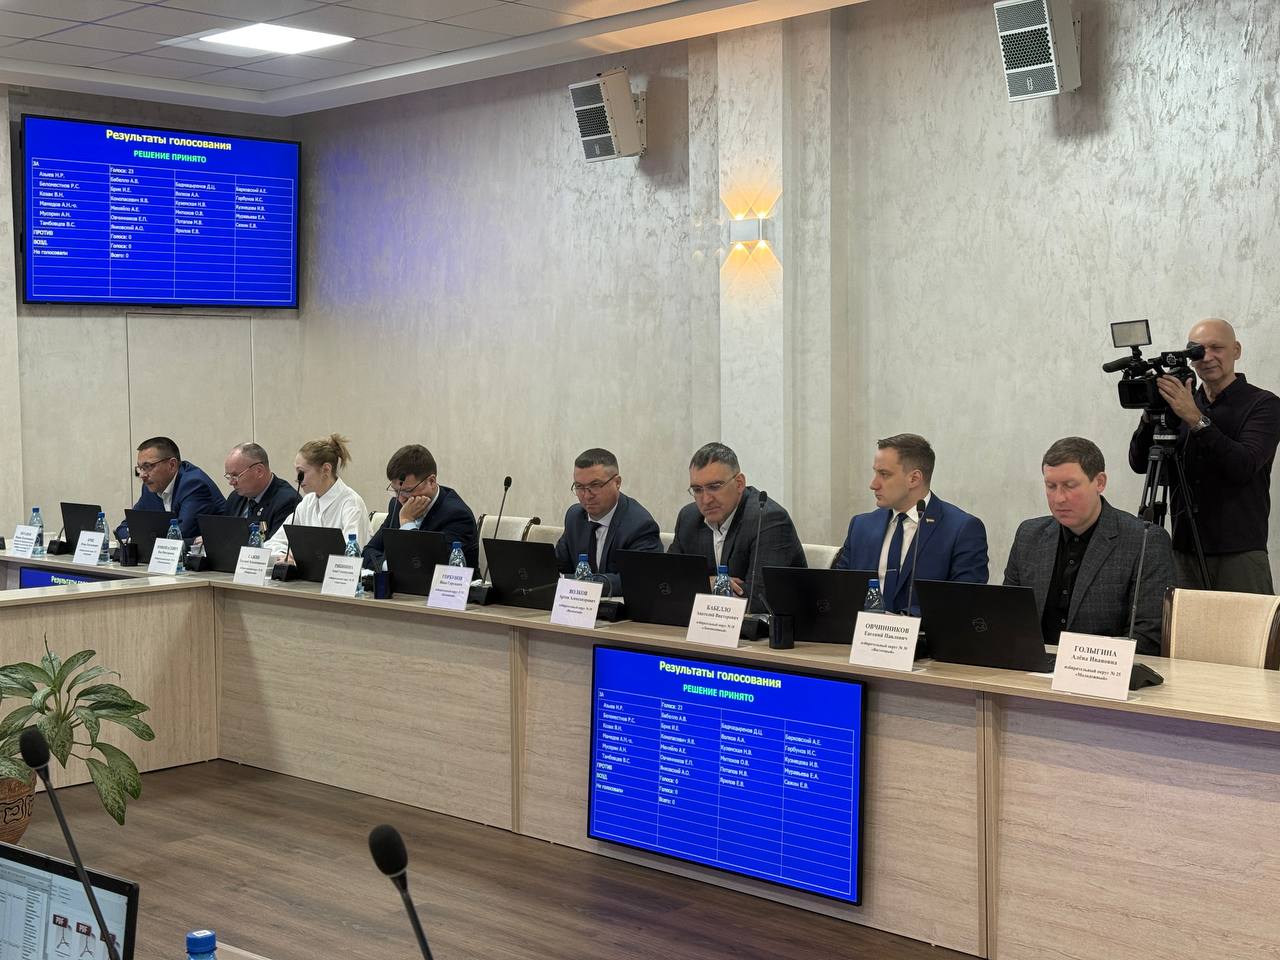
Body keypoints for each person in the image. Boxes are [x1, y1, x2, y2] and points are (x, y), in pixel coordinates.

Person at [1128, 317, 1280, 593]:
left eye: (1216, 348)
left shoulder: (1263, 404)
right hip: (1183, 549)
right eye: (1197, 351)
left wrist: (1195, 418)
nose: (1207, 357)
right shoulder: (1180, 402)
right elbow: (1139, 464)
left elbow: (1243, 465)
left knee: (1247, 623)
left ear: (1236, 350)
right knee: (1183, 623)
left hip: (1238, 552)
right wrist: (1151, 414)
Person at [1005, 437, 1173, 654]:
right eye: (1051, 486)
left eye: (1070, 486)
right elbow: (1008, 617)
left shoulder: (1144, 540)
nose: (1059, 498)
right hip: (1032, 666)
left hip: (1101, 669)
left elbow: (1148, 636)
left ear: (1099, 482)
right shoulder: (1029, 535)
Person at [835, 434, 988, 614]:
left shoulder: (962, 529)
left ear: (914, 478)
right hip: (860, 630)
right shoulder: (861, 526)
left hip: (925, 631)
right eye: (875, 473)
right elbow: (840, 591)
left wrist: (904, 621)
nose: (873, 484)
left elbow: (965, 600)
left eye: (884, 474)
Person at [669, 442, 806, 613]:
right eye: (697, 490)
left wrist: (698, 585)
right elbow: (667, 582)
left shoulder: (768, 519)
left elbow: (759, 600)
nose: (706, 499)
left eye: (714, 487)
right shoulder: (689, 518)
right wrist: (709, 583)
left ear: (739, 483)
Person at [554, 448, 663, 595]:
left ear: (617, 482)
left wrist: (573, 582)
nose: (586, 495)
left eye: (595, 485)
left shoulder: (640, 526)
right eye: (579, 487)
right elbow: (558, 566)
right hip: (576, 605)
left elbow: (637, 580)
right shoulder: (575, 517)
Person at [361, 444, 479, 571]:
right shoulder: (397, 505)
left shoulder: (457, 515)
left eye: (407, 491)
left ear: (431, 481)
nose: (401, 499)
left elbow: (429, 569)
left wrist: (407, 522)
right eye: (395, 491)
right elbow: (369, 552)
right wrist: (390, 567)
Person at [263, 434, 369, 562]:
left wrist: (300, 558)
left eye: (301, 472)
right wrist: (285, 556)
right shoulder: (307, 502)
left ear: (326, 469)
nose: (297, 479)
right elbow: (274, 543)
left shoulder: (351, 504)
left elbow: (351, 557)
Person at [123, 436, 225, 540]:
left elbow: (179, 535)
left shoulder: (194, 485)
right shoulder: (150, 487)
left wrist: (141, 536)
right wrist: (136, 536)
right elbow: (124, 527)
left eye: (148, 466)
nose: (142, 475)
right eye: (140, 468)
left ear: (172, 465)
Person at [222, 442, 302, 539]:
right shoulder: (235, 497)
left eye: (235, 476)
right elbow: (226, 535)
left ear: (259, 471)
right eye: (229, 476)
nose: (231, 482)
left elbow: (277, 545)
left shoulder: (287, 501)